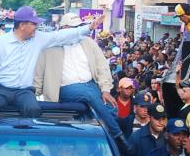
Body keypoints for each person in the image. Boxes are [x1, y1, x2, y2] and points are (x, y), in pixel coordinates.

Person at [0, 6, 104, 118]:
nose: (36, 27)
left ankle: (28, 143)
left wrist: (89, 27)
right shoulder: (0, 42)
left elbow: (60, 36)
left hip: (24, 91)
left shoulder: (38, 38)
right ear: (22, 26)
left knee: (33, 109)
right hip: (0, 89)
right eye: (33, 24)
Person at [34, 12, 126, 148]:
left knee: (111, 109)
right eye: (72, 27)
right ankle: (118, 137)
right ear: (63, 28)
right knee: (89, 95)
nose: (76, 30)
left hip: (91, 85)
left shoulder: (89, 43)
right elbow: (38, 78)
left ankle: (103, 146)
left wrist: (106, 90)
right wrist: (29, 95)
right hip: (66, 89)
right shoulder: (48, 48)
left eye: (79, 26)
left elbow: (102, 67)